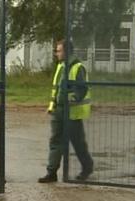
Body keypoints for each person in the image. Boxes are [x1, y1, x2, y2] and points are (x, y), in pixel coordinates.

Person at [38, 39, 94, 183]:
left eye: (59, 50)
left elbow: (81, 88)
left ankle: (87, 168)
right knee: (56, 140)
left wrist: (73, 98)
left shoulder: (77, 67)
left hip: (72, 112)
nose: (56, 53)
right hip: (59, 110)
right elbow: (56, 89)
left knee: (78, 142)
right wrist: (52, 105)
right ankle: (52, 172)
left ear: (67, 51)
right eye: (56, 50)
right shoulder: (61, 66)